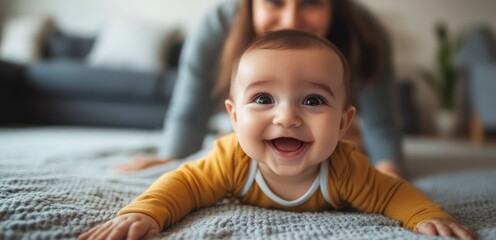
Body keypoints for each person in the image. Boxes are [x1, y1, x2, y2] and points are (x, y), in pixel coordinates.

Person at [81, 30, 475, 240]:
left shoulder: (345, 169)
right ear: (234, 118)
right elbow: (184, 182)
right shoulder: (232, 158)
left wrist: (426, 214)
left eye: (314, 100)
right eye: (264, 98)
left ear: (342, 124)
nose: (286, 117)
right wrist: (144, 210)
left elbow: (391, 192)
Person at [115, 0, 405, 178]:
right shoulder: (216, 27)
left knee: (351, 146)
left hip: (344, 135)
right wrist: (172, 156)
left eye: (312, 2)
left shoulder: (364, 34)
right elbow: (190, 113)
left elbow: (382, 123)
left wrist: (388, 168)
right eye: (275, 1)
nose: (291, 19)